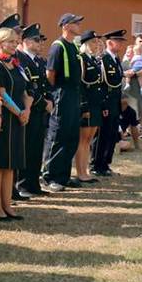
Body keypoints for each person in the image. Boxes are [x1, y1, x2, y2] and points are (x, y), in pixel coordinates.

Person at [0, 27, 29, 220]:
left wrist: (27, 109)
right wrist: (19, 112)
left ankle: (7, 204)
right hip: (6, 118)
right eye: (11, 42)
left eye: (16, 41)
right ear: (0, 44)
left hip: (19, 119)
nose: (15, 44)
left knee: (10, 165)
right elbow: (2, 94)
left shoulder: (15, 63)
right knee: (0, 164)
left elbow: (25, 89)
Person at [42, 13, 83, 193]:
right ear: (65, 26)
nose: (79, 25)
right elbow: (50, 74)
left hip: (74, 94)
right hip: (62, 93)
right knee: (58, 136)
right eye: (75, 22)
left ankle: (63, 176)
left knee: (71, 136)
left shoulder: (73, 46)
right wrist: (56, 93)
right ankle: (50, 176)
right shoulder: (58, 47)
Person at [15, 25, 50, 199]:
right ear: (26, 41)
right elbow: (28, 87)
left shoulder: (39, 61)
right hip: (30, 109)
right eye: (36, 40)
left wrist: (49, 100)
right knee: (27, 149)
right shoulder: (20, 59)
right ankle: (23, 184)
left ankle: (34, 183)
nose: (40, 43)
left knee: (36, 149)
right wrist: (43, 102)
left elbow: (45, 84)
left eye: (40, 40)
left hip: (40, 111)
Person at [91, 30, 127, 176]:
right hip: (107, 103)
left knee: (112, 134)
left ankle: (105, 164)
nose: (121, 44)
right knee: (102, 135)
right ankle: (96, 165)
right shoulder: (103, 59)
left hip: (115, 102)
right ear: (110, 43)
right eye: (118, 41)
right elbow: (101, 84)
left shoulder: (115, 59)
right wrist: (104, 104)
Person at [74, 30, 105, 186]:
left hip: (95, 104)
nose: (96, 44)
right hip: (87, 105)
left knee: (89, 140)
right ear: (85, 44)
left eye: (97, 41)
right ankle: (80, 172)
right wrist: (84, 107)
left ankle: (85, 171)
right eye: (93, 42)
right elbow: (81, 86)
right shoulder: (82, 59)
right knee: (83, 139)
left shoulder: (93, 59)